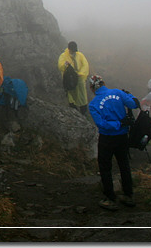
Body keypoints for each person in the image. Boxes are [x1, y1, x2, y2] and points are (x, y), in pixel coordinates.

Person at [88, 74, 140, 210]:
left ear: (92, 88)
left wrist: (116, 124)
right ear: (104, 83)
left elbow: (101, 124)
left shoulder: (93, 104)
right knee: (124, 165)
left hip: (107, 138)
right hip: (122, 136)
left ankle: (110, 199)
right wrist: (129, 95)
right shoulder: (117, 92)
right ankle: (128, 195)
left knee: (105, 168)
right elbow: (134, 104)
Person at [57, 41, 90, 115]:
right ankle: (74, 111)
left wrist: (80, 73)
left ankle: (83, 112)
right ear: (69, 49)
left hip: (79, 79)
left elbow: (85, 65)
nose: (74, 52)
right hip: (70, 80)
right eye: (72, 50)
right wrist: (66, 65)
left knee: (82, 96)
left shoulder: (80, 55)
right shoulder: (63, 56)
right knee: (71, 95)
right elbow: (60, 66)